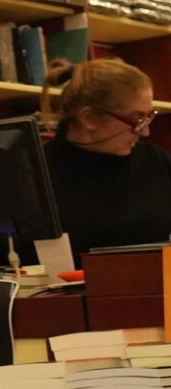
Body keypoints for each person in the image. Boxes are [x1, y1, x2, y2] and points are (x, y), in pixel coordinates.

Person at [42, 57, 171, 253]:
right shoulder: (36, 174)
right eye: (136, 118)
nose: (145, 132)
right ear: (89, 118)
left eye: (148, 116)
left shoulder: (156, 161)